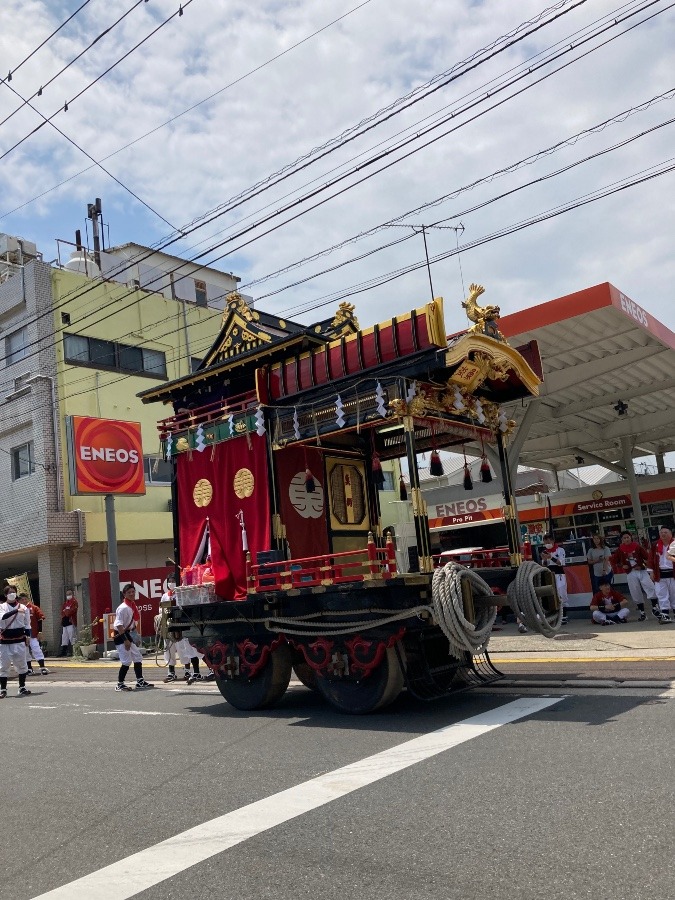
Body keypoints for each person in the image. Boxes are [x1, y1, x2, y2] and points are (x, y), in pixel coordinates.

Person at [159, 576, 204, 683]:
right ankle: (171, 673)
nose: (171, 583)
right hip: (169, 626)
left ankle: (188, 670)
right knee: (168, 650)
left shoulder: (181, 595)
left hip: (180, 625)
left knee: (183, 648)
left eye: (173, 581)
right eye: (169, 581)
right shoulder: (165, 596)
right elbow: (161, 610)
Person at [113, 584, 154, 691]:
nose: (132, 594)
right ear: (124, 594)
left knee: (137, 657)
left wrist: (135, 637)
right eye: (129, 592)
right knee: (126, 661)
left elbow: (132, 624)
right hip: (121, 635)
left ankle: (140, 681)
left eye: (133, 591)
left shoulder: (132, 606)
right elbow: (119, 625)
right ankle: (119, 684)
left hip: (128, 634)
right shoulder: (122, 608)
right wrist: (125, 640)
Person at [612, 531, 657, 621]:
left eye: (627, 537)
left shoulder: (637, 546)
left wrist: (642, 566)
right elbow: (614, 561)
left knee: (650, 587)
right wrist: (622, 565)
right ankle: (642, 613)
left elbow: (647, 558)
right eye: (624, 538)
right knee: (635, 591)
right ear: (622, 540)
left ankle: (655, 608)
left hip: (641, 571)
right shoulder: (620, 549)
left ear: (631, 537)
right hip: (630, 572)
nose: (626, 539)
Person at [0, 586, 32, 698]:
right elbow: (2, 617)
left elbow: (27, 624)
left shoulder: (24, 607)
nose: (12, 594)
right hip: (5, 641)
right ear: (5, 595)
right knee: (4, 666)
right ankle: (3, 689)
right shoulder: (2, 607)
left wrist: (28, 636)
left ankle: (22, 687)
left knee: (22, 665)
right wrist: (16, 611)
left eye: (14, 592)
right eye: (10, 593)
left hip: (19, 639)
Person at [647, 525, 675, 624]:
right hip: (660, 574)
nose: (663, 534)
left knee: (674, 594)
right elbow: (650, 559)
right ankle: (665, 614)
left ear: (671, 534)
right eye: (661, 532)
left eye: (665, 532)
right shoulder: (655, 545)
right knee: (662, 594)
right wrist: (651, 572)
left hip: (673, 573)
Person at [540, 533, 569, 624]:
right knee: (552, 595)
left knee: (561, 594)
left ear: (553, 541)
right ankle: (554, 615)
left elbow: (560, 563)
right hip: (549, 575)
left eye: (549, 541)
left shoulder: (560, 550)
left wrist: (551, 557)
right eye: (545, 542)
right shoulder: (544, 551)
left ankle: (564, 616)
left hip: (559, 574)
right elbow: (544, 565)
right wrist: (545, 559)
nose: (547, 543)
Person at [21, 593, 49, 676]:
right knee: (25, 652)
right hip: (22, 635)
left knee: (36, 649)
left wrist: (40, 631)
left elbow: (40, 618)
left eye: (25, 599)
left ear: (28, 599)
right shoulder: (18, 609)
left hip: (33, 633)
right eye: (22, 599)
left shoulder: (34, 608)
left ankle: (42, 667)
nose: (23, 601)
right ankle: (29, 668)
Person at [60, 588, 79, 656]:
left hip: (71, 621)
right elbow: (62, 612)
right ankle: (63, 652)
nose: (68, 595)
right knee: (64, 637)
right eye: (67, 594)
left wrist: (66, 611)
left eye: (69, 594)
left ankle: (75, 652)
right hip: (65, 622)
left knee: (72, 636)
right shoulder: (65, 603)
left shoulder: (74, 602)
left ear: (72, 594)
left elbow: (72, 611)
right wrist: (66, 612)